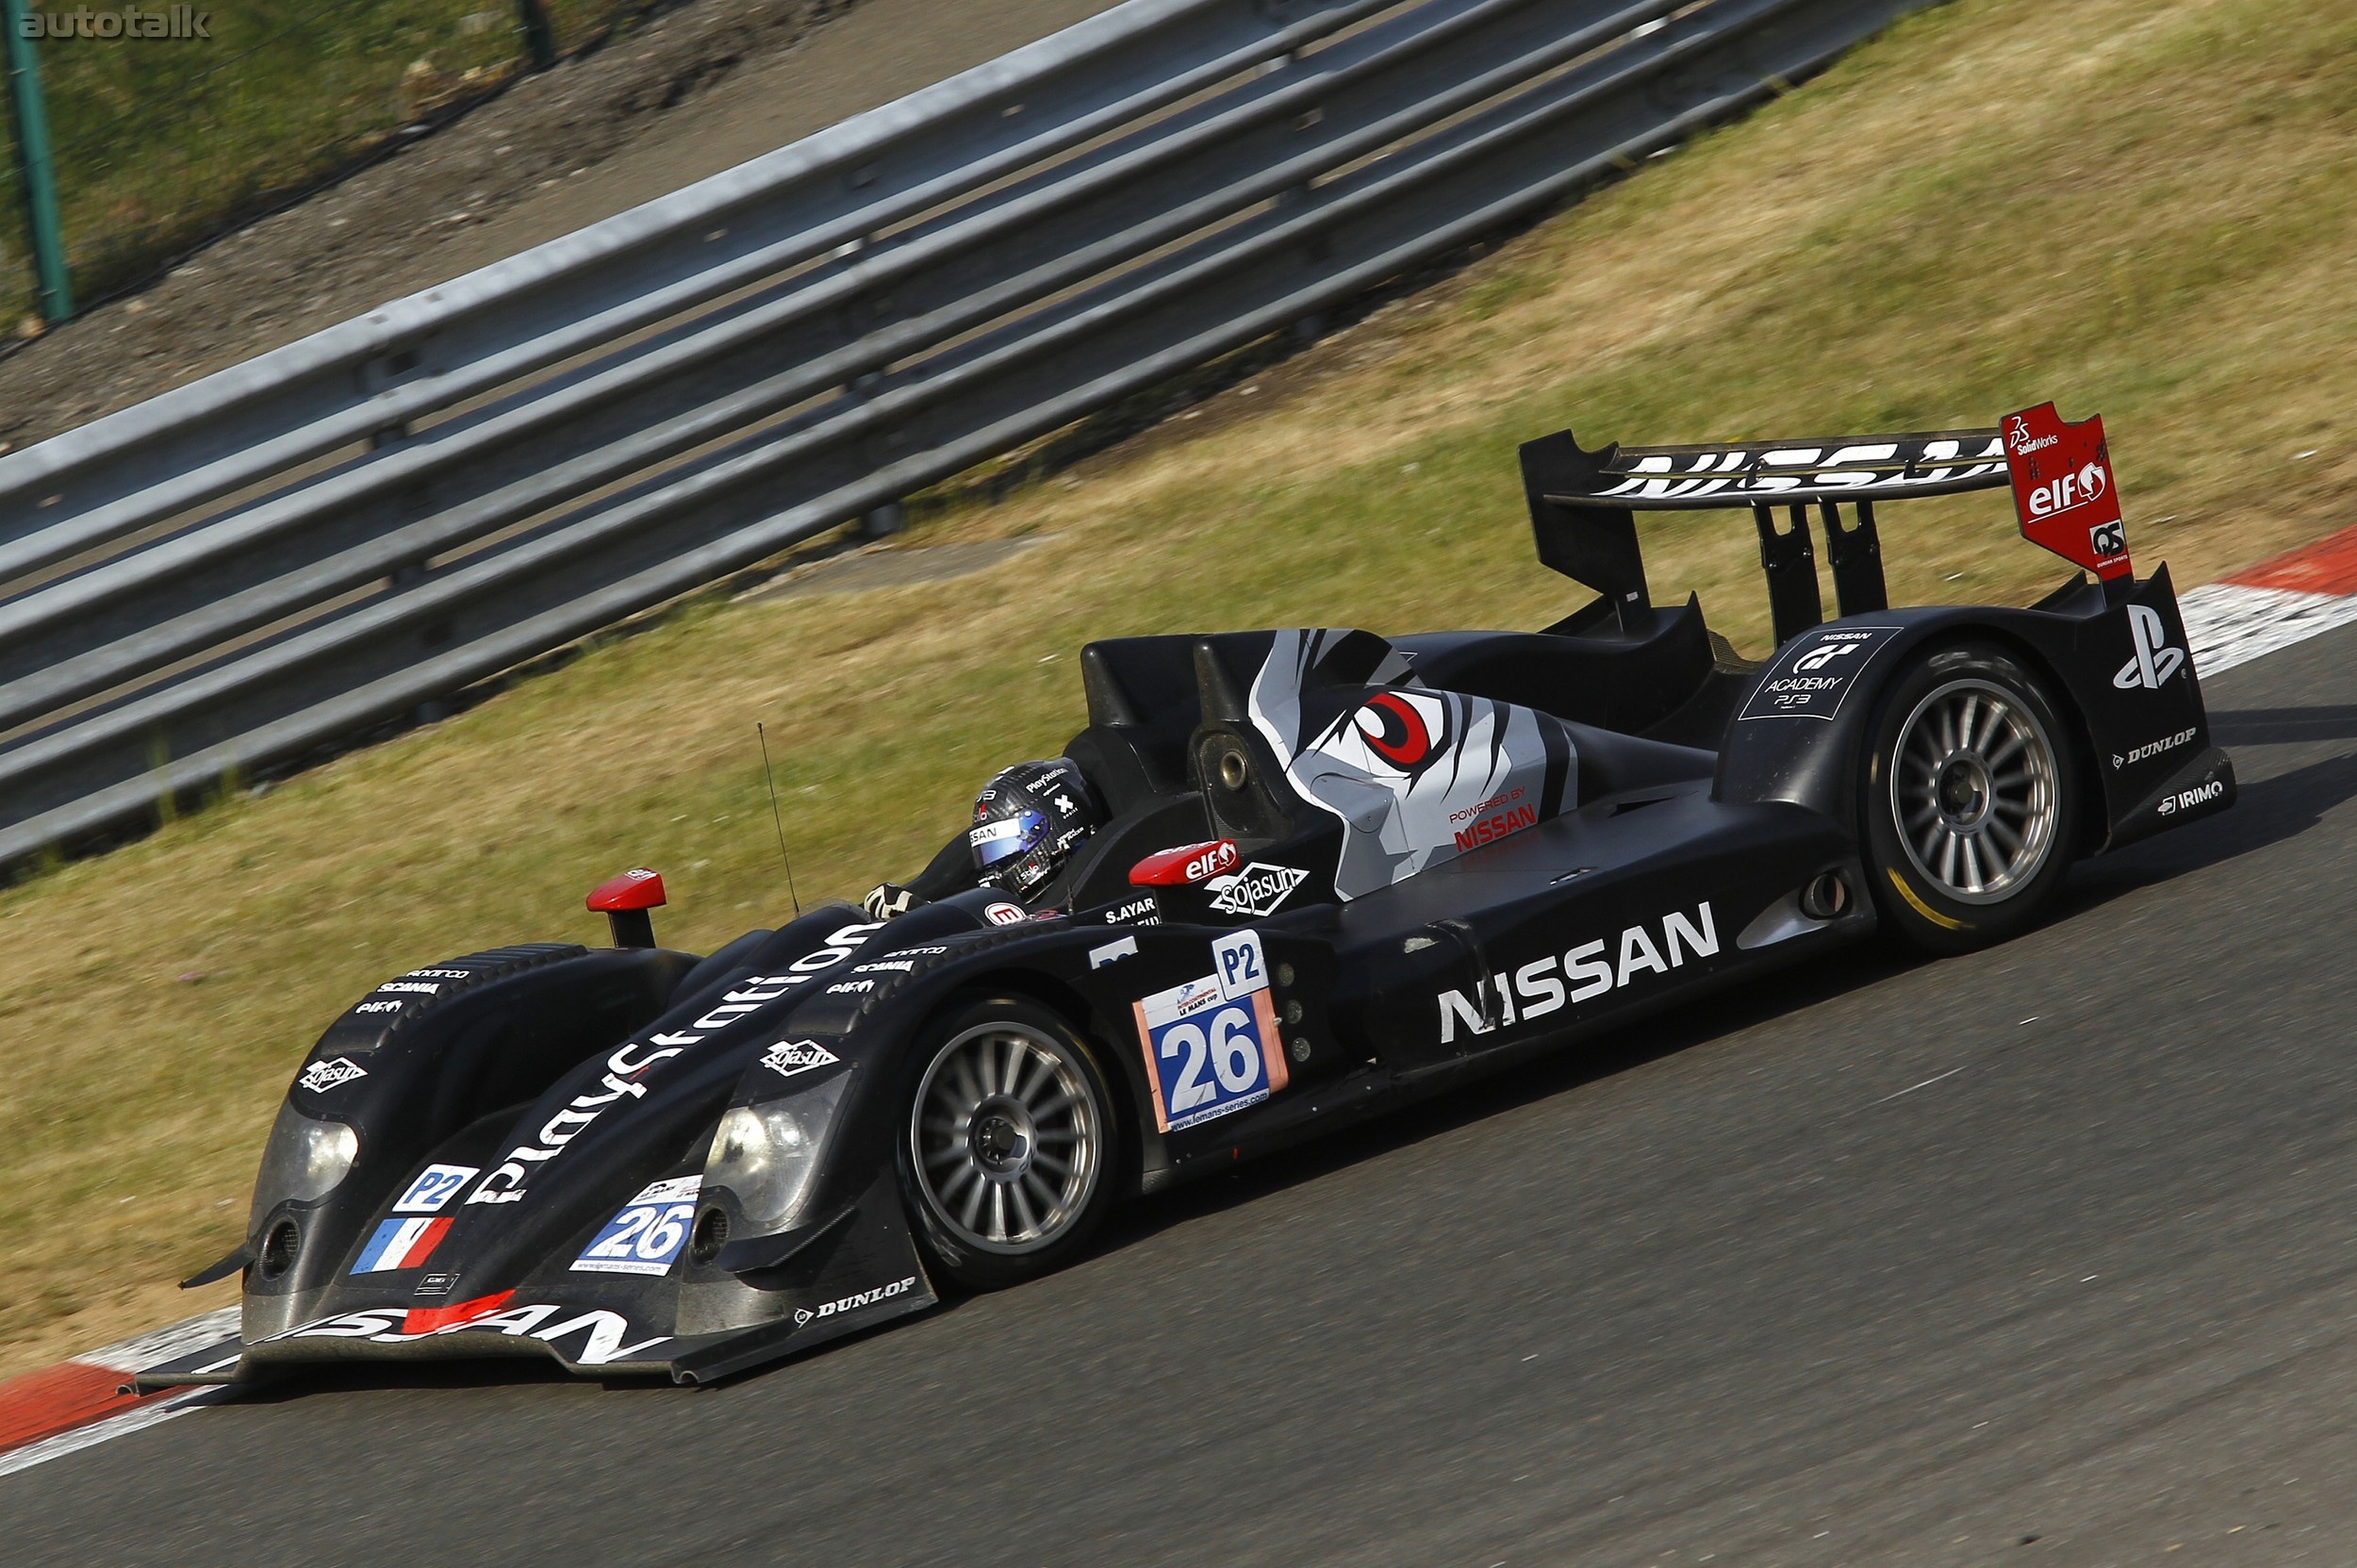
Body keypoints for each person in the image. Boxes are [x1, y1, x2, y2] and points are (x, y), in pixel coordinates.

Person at [864, 759, 1104, 919]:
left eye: (1002, 847)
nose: (991, 867)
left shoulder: (1086, 896)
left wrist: (928, 916)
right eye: (987, 851)